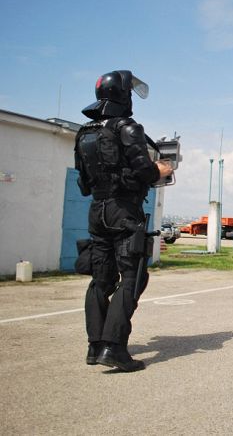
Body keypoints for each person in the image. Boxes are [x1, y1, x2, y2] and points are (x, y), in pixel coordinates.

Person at [74, 70, 173, 372]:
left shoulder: (85, 132)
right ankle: (114, 348)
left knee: (101, 280)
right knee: (133, 276)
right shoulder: (128, 128)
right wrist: (162, 168)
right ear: (123, 95)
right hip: (123, 212)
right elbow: (144, 171)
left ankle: (95, 346)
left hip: (97, 211)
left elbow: (84, 183)